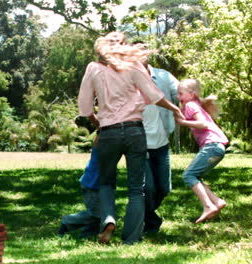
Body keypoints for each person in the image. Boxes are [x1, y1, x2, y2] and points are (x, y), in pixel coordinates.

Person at [77, 31, 184, 245]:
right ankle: (131, 239)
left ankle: (108, 220)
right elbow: (153, 95)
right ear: (124, 46)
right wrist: (174, 109)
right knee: (137, 188)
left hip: (108, 133)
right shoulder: (133, 65)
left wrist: (99, 123)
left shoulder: (93, 68)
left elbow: (85, 106)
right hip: (135, 131)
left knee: (107, 183)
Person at [137, 48, 179, 234]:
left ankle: (144, 214)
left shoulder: (163, 76)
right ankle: (151, 222)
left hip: (161, 141)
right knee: (148, 187)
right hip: (139, 143)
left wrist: (197, 103)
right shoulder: (128, 80)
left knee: (164, 187)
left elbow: (182, 93)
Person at [175, 79, 228, 224]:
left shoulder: (191, 105)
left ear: (192, 94)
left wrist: (183, 123)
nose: (178, 97)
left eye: (181, 94)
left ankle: (208, 206)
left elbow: (202, 124)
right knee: (194, 175)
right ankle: (217, 202)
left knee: (189, 175)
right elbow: (176, 113)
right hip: (218, 147)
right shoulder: (193, 104)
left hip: (212, 145)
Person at [58, 139, 101, 239]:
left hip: (95, 184)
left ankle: (86, 234)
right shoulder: (103, 139)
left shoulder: (105, 138)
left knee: (100, 215)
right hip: (92, 184)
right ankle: (67, 221)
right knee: (96, 214)